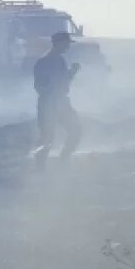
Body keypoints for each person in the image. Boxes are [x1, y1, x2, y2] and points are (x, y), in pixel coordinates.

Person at [32, 31, 82, 169]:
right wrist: (52, 92)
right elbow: (39, 86)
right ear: (59, 43)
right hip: (49, 104)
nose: (68, 46)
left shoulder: (59, 60)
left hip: (61, 102)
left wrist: (72, 72)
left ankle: (63, 160)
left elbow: (64, 81)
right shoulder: (44, 61)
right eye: (66, 43)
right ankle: (40, 167)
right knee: (47, 137)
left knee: (75, 130)